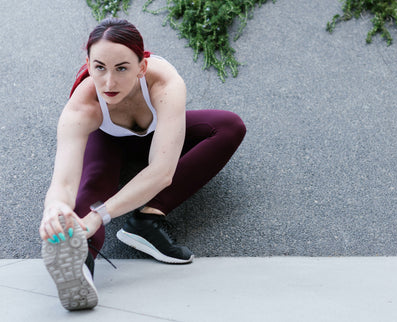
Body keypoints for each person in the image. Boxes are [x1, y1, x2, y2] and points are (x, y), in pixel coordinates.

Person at [38, 18, 246, 311]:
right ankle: (80, 263)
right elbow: (63, 182)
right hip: (107, 141)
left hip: (156, 137)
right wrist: (55, 208)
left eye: (122, 68)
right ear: (88, 63)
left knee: (229, 126)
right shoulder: (82, 106)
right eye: (99, 68)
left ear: (142, 66)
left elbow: (161, 171)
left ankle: (147, 220)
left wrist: (103, 214)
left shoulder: (164, 82)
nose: (109, 82)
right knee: (94, 183)